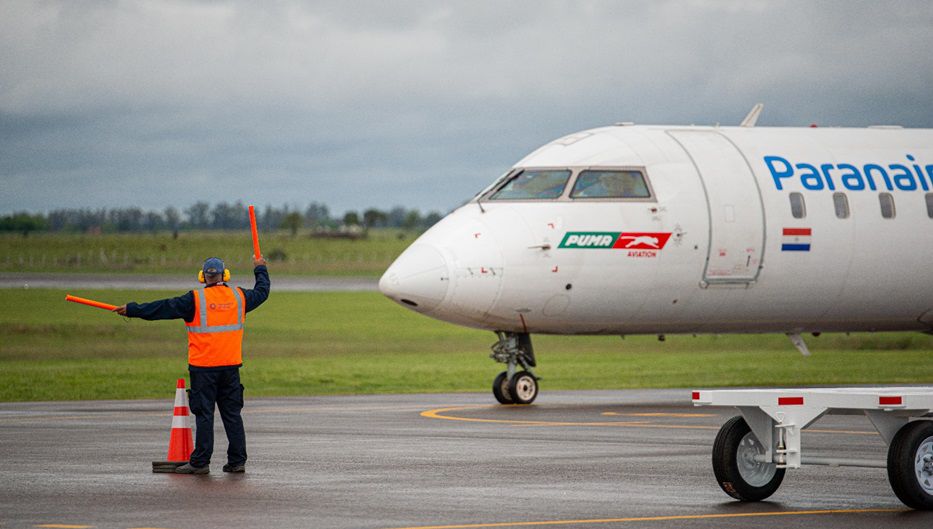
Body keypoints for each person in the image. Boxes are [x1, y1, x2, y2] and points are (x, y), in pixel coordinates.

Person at [114, 255, 270, 475]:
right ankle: (237, 461)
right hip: (231, 368)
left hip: (203, 369)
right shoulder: (239, 296)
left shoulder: (195, 299)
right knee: (232, 415)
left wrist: (133, 309)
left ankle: (200, 462)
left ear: (203, 276)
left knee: (204, 415)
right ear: (225, 275)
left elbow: (163, 308)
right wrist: (260, 268)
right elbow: (263, 291)